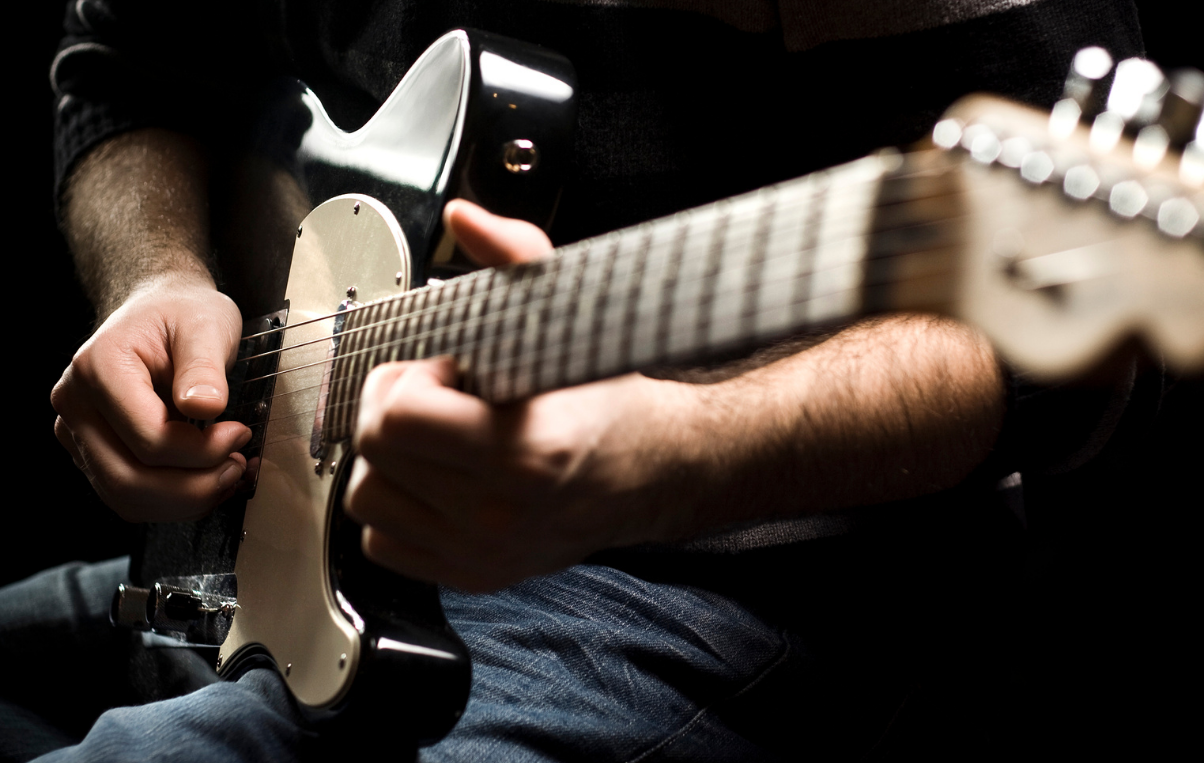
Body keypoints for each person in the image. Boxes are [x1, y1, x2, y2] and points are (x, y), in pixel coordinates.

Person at [5, 0, 1146, 759]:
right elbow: (127, 69)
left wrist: (672, 455)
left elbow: (1057, 327)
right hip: (270, 541)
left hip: (701, 579)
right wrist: (152, 282)